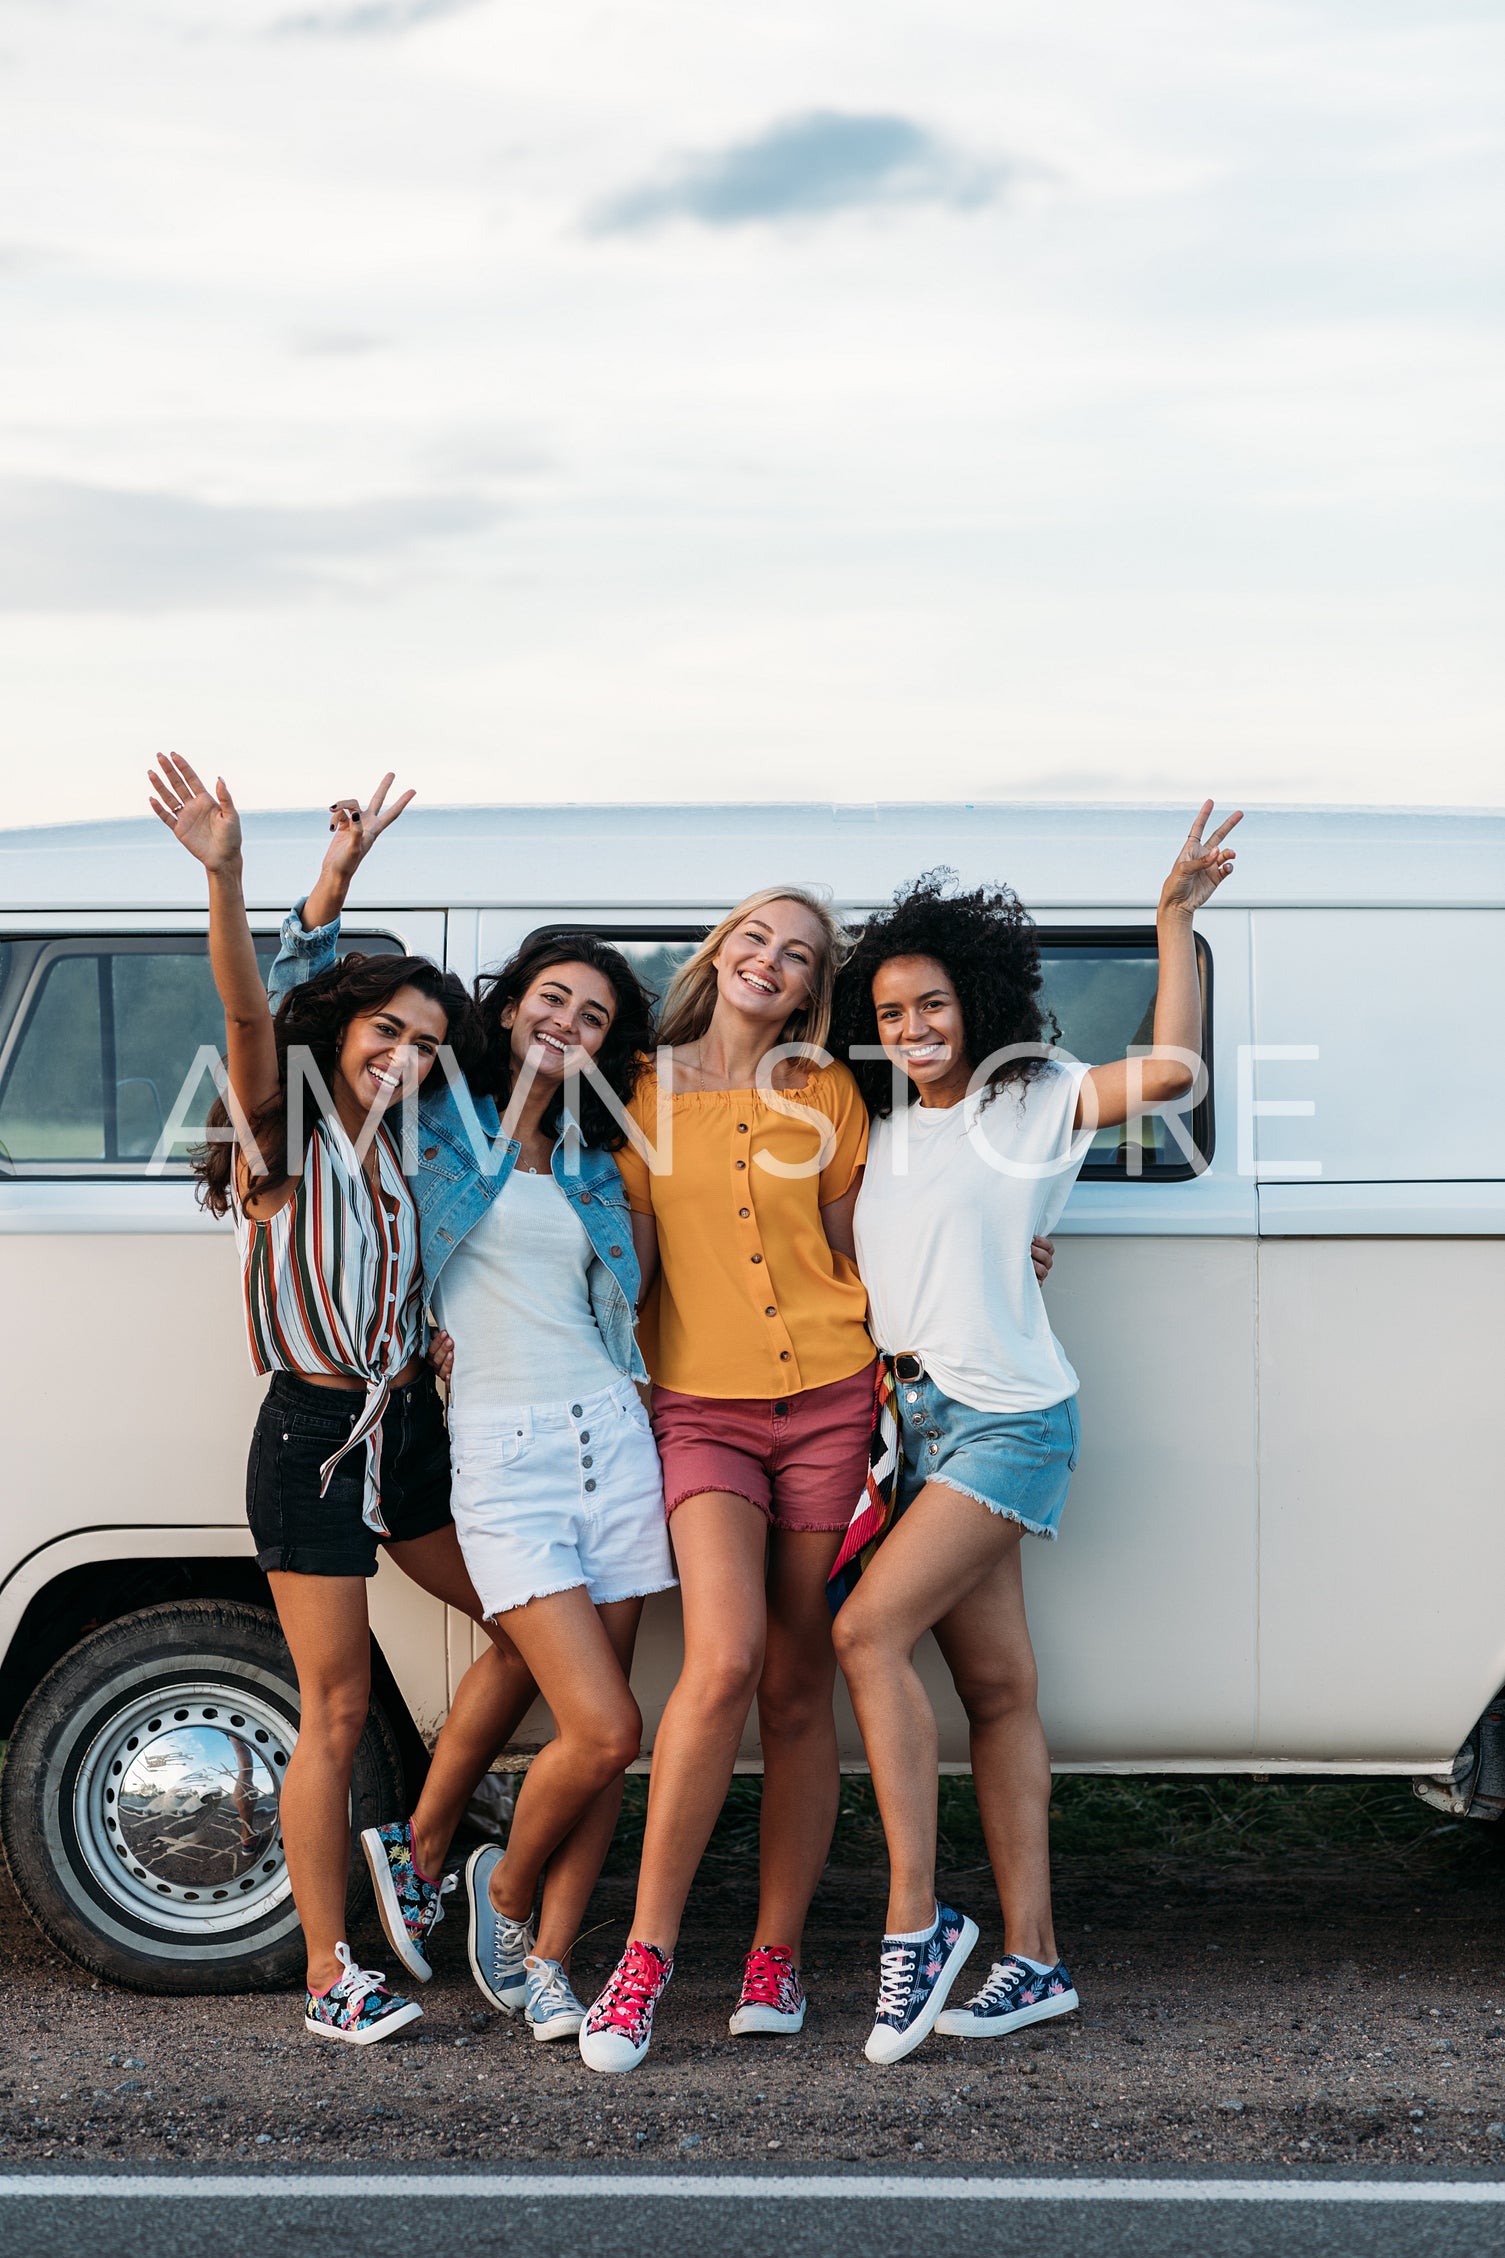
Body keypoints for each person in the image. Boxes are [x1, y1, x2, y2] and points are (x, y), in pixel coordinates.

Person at [575, 886, 1055, 2074]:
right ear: (719, 951)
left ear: (807, 990)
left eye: (797, 956)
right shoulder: (636, 1090)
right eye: (755, 937)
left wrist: (1005, 1248)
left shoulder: (828, 1092)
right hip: (702, 1414)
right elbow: (622, 1269)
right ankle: (642, 1961)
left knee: (799, 1682)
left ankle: (774, 1953)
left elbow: (865, 1249)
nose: (770, 960)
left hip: (839, 1402)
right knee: (722, 1659)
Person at [829, 803, 1241, 2065]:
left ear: (981, 1000)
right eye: (892, 1011)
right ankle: (1037, 1959)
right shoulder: (879, 1124)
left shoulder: (1027, 1097)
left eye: (934, 1004)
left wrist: (1169, 922)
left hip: (1008, 1421)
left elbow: (1172, 1072)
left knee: (863, 1629)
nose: (913, 1029)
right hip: (912, 1422)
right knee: (999, 1689)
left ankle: (917, 1923)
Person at [269, 784, 674, 2043]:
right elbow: (306, 1001)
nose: (567, 1019)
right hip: (491, 1441)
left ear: (610, 1044)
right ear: (511, 1008)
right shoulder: (433, 1113)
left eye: (594, 1014)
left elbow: (677, 1281)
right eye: (551, 996)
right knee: (601, 1716)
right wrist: (333, 876)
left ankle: (544, 1951)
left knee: (601, 1723)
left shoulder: (609, 1168)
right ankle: (457, 1864)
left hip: (613, 1435)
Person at [149, 753, 531, 2045]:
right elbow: (259, 1010)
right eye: (387, 1033)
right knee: (340, 1706)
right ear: (342, 1036)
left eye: (427, 1044)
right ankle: (330, 1972)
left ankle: (416, 1849)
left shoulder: (397, 1160)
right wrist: (240, 875)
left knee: (533, 1625)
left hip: (400, 1431)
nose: (407, 1057)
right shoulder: (282, 1141)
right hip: (312, 1438)